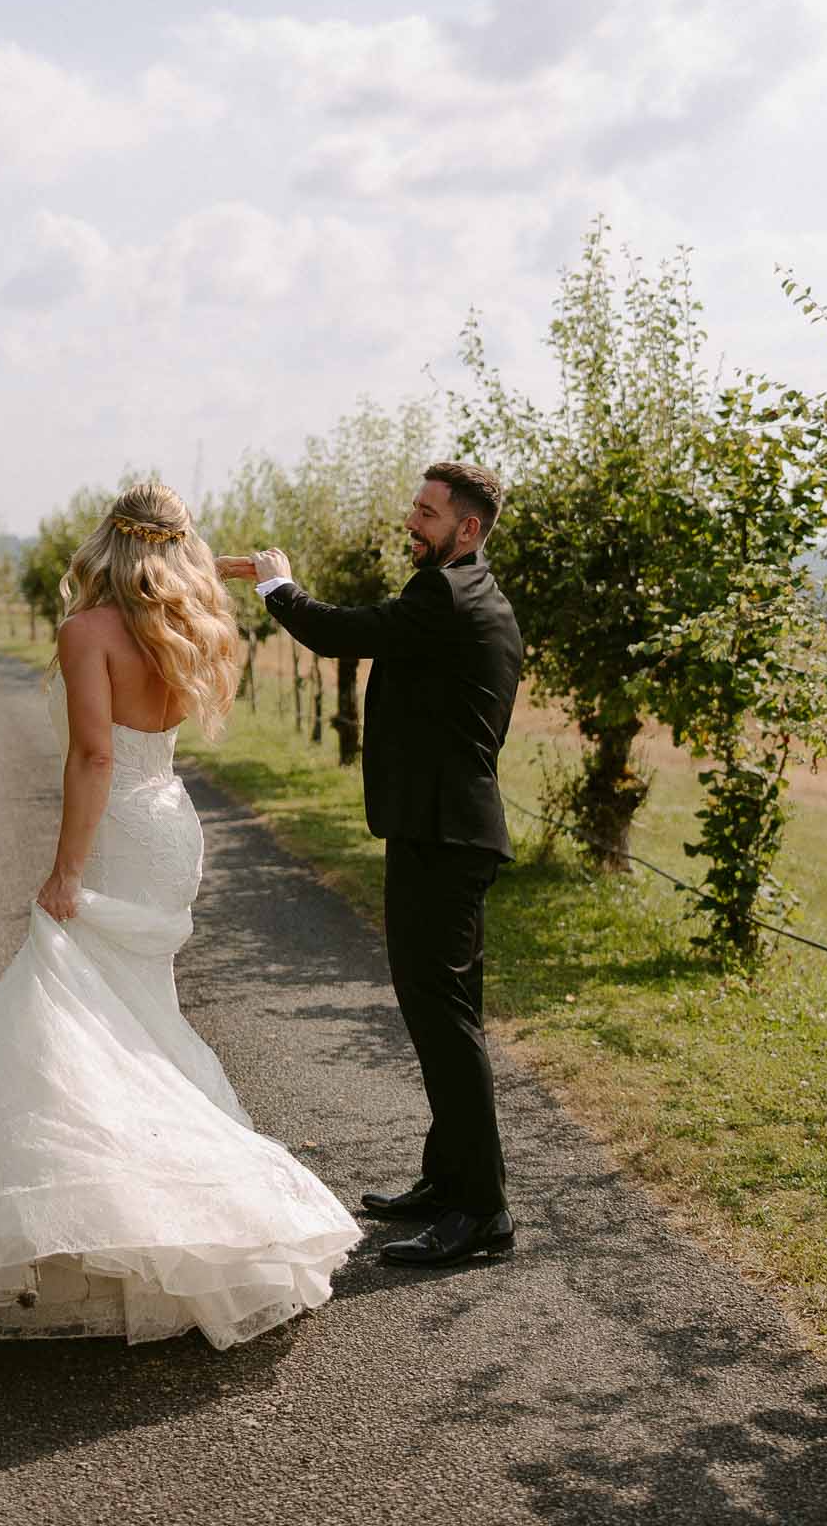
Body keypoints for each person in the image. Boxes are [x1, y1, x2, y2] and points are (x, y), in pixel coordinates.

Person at [0, 483, 360, 1350]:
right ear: (174, 549)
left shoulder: (87, 632)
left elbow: (92, 753)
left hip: (118, 825)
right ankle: (138, 1206)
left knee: (67, 1011)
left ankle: (115, 1207)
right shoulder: (194, 625)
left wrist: (64, 869)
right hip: (170, 825)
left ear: (104, 544)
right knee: (135, 1016)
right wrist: (226, 568)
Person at [219, 461, 522, 1270]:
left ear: (467, 529)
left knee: (444, 1023)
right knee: (443, 1017)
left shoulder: (446, 597)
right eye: (413, 509)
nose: (411, 523)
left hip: (442, 839)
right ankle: (444, 1179)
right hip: (444, 834)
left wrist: (280, 588)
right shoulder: (473, 593)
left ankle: (481, 1214)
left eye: (426, 514)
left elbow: (342, 632)